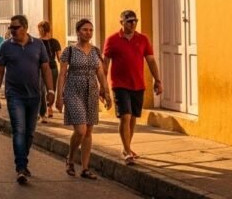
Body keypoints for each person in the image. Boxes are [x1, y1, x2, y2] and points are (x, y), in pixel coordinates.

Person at [0, 14, 55, 184]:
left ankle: (22, 161)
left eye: (15, 27)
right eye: (11, 28)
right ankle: (20, 167)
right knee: (19, 130)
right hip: (14, 95)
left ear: (25, 28)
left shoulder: (38, 45)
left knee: (30, 133)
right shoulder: (6, 46)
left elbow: (46, 69)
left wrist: (51, 91)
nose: (12, 30)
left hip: (34, 96)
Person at [103, 9, 162, 164]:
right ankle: (127, 151)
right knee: (125, 116)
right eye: (129, 21)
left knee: (133, 118)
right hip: (119, 84)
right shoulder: (112, 40)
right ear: (121, 22)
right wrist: (103, 87)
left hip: (138, 84)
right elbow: (105, 64)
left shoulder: (142, 39)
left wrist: (158, 80)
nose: (133, 24)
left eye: (135, 21)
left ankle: (126, 146)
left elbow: (150, 60)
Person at [55, 19, 111, 179]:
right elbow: (62, 75)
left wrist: (106, 92)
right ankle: (70, 158)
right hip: (73, 91)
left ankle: (85, 168)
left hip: (91, 92)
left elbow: (100, 73)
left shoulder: (95, 51)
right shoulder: (69, 51)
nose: (88, 33)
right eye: (85, 30)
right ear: (78, 32)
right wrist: (59, 97)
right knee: (81, 130)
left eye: (91, 30)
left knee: (88, 131)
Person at [37, 21, 61, 122]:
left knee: (47, 90)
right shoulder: (53, 42)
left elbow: (59, 57)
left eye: (39, 29)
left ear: (41, 30)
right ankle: (44, 112)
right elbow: (60, 58)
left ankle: (47, 110)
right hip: (47, 68)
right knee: (46, 91)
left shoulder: (38, 42)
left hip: (47, 69)